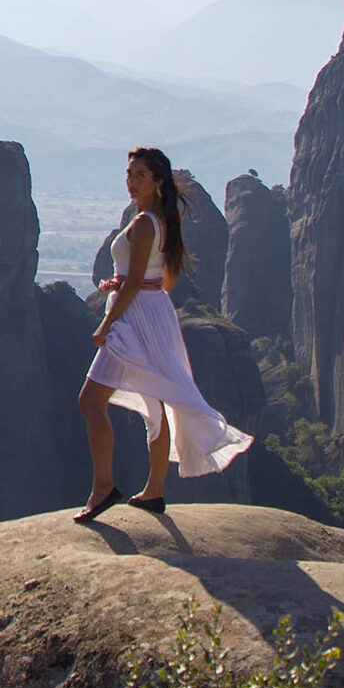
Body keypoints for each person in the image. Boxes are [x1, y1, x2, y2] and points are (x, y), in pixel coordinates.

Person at [75, 146, 253, 521]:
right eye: (129, 173)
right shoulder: (162, 221)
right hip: (154, 312)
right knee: (157, 401)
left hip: (132, 318)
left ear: (157, 182)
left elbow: (137, 280)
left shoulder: (143, 224)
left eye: (140, 174)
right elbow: (164, 279)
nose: (131, 181)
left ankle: (103, 488)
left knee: (91, 402)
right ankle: (153, 492)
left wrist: (107, 324)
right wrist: (139, 299)